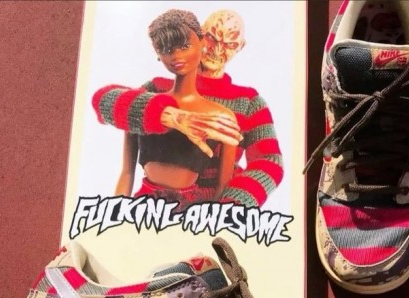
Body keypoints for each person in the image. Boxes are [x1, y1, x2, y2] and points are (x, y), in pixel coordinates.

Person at [92, 10, 283, 208]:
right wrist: (164, 114)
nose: (218, 50)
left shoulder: (249, 102)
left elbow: (270, 161)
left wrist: (232, 206)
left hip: (208, 209)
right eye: (212, 38)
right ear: (200, 36)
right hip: (149, 206)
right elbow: (104, 101)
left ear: (240, 47)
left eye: (230, 44)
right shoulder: (157, 88)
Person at [116, 10, 236, 209]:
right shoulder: (142, 105)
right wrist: (114, 214)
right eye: (167, 50)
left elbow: (223, 186)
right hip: (142, 206)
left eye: (185, 46)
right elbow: (127, 173)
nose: (177, 56)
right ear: (158, 53)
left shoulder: (221, 117)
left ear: (202, 42)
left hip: (189, 210)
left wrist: (211, 220)